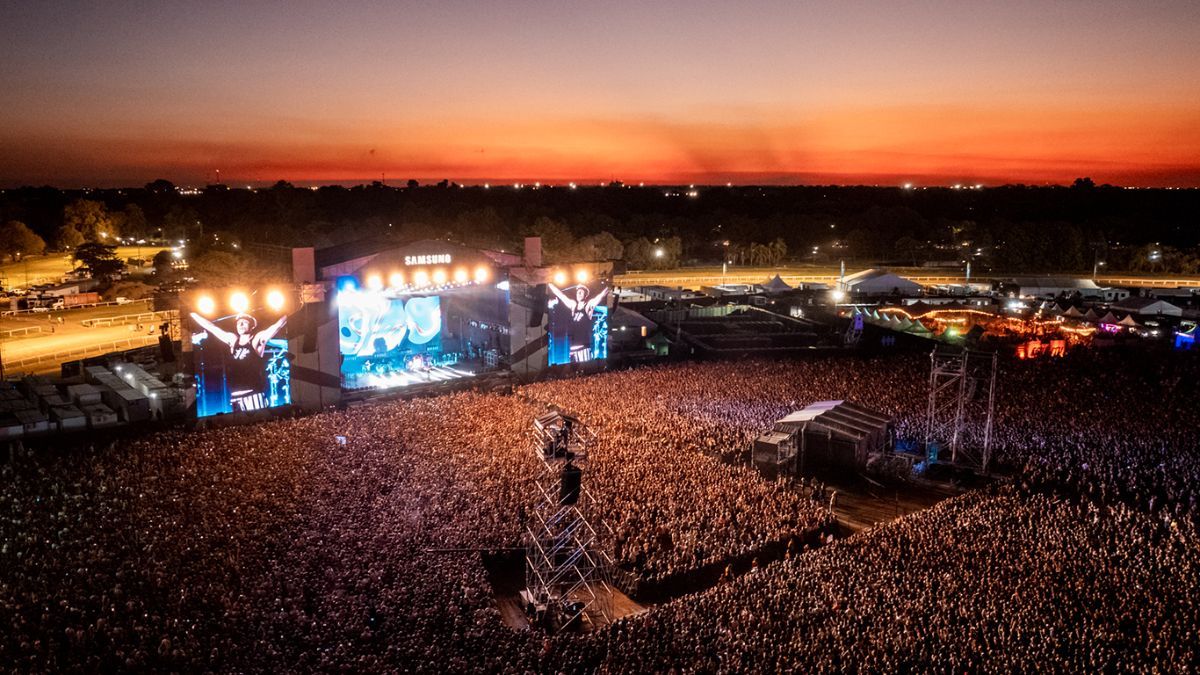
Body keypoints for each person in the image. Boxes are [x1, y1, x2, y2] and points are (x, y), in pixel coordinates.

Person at [189, 311, 287, 411]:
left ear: (252, 325)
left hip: (253, 394)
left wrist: (288, 314)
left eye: (244, 322)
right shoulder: (233, 340)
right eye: (238, 323)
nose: (240, 325)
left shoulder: (256, 339)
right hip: (235, 396)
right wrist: (194, 315)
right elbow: (212, 328)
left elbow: (276, 326)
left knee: (260, 423)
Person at [548, 283, 609, 363]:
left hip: (584, 347)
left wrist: (608, 286)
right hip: (572, 348)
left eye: (581, 292)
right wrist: (550, 284)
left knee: (586, 371)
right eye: (578, 292)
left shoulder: (588, 306)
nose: (579, 294)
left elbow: (600, 296)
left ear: (585, 295)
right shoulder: (573, 305)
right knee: (574, 373)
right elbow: (561, 295)